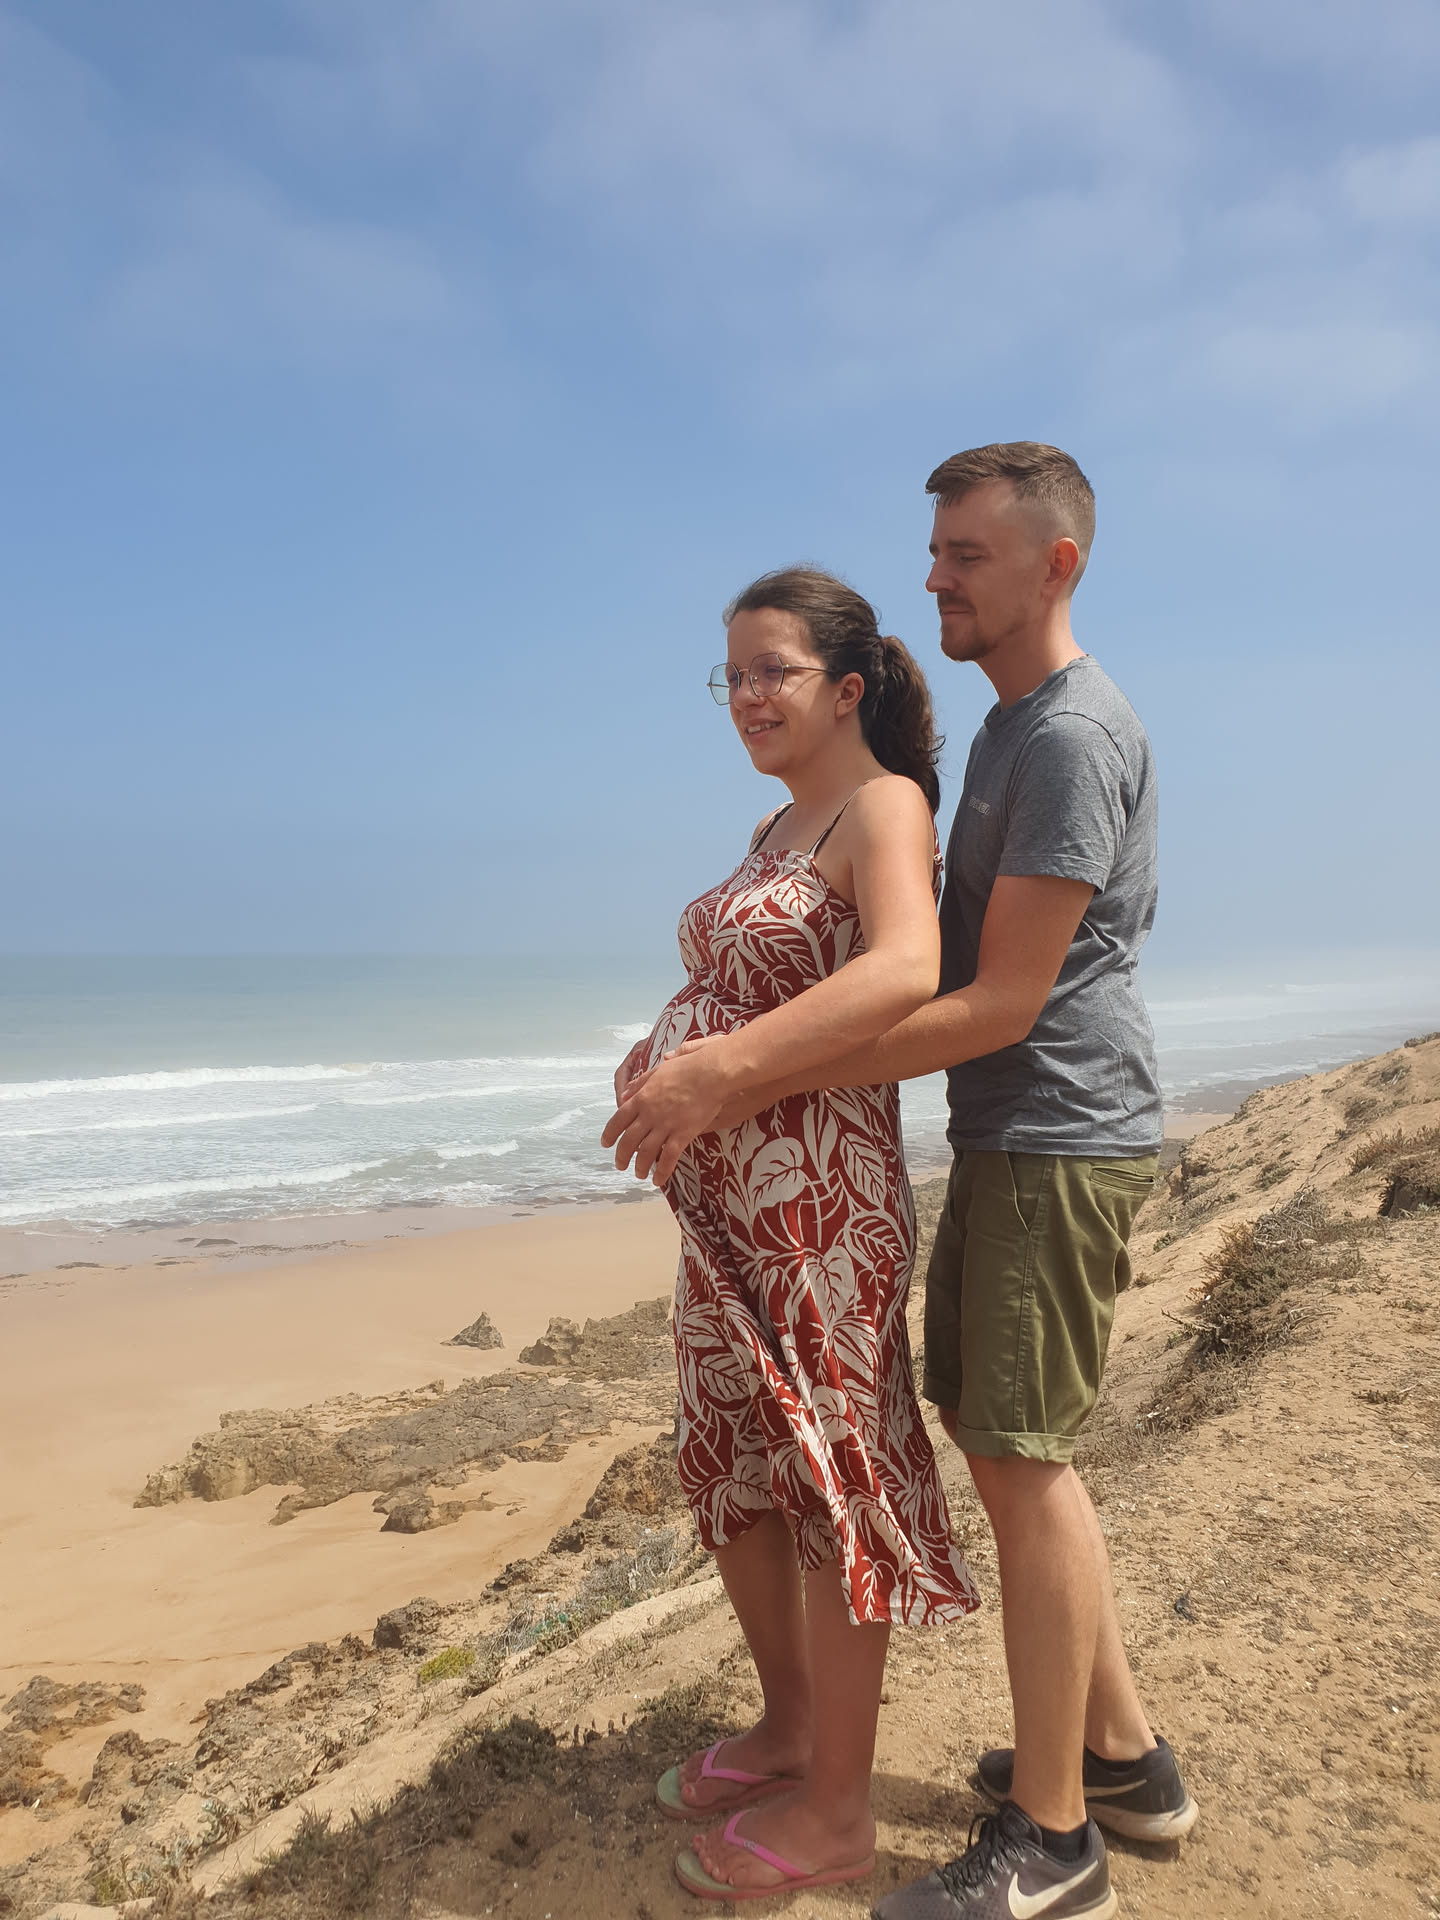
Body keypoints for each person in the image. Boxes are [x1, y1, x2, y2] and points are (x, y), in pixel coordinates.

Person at [637, 445, 1198, 1920]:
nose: (933, 578)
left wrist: (742, 1077)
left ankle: (1057, 1840)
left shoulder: (1067, 738)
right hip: (1011, 1130)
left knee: (1017, 1456)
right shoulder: (1018, 729)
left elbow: (992, 996)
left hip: (1057, 1126)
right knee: (992, 1435)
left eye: (964, 556)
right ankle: (1125, 1760)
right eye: (936, 551)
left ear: (1056, 563)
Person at [601, 567, 980, 1903]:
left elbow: (905, 968)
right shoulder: (776, 823)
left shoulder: (885, 805)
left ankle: (839, 1814)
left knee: (830, 1486)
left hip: (823, 1209)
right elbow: (735, 979)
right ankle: (790, 1723)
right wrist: (672, 1070)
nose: (746, 697)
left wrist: (718, 1070)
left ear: (847, 688)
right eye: (733, 676)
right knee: (731, 1461)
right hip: (726, 1214)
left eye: (773, 671)